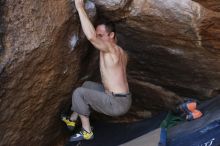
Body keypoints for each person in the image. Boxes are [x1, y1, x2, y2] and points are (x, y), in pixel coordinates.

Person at [62, 0, 132, 142]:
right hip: (123, 99)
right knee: (87, 85)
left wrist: (80, 8)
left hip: (116, 103)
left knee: (79, 93)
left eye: (101, 35)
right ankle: (72, 119)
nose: (98, 38)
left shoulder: (110, 49)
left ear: (111, 35)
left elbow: (91, 37)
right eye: (98, 35)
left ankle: (87, 131)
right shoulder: (122, 53)